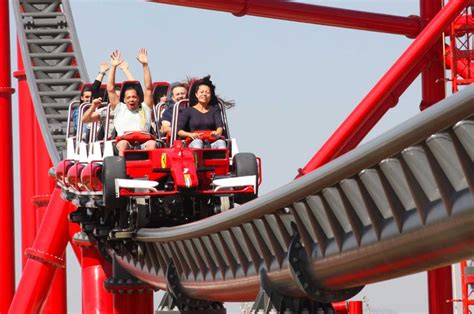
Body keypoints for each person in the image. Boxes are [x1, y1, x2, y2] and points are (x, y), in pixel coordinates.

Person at [104, 49, 155, 155]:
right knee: (123, 144)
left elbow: (149, 88)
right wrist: (113, 67)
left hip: (144, 142)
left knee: (152, 144)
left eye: (134, 97)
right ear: (124, 100)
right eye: (128, 98)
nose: (131, 99)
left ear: (138, 99)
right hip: (125, 142)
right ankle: (122, 167)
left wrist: (145, 65)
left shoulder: (145, 108)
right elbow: (110, 89)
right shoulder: (119, 108)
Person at [177, 76, 226, 149]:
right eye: (202, 92)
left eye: (207, 92)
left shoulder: (215, 109)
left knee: (221, 143)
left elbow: (219, 127)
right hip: (194, 142)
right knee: (198, 142)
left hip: (211, 142)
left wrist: (217, 133)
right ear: (196, 94)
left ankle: (221, 160)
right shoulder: (188, 111)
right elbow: (179, 131)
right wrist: (190, 134)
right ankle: (197, 160)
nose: (204, 94)